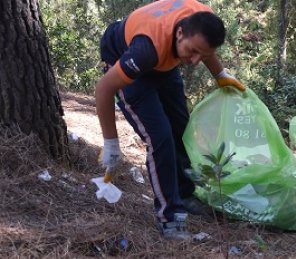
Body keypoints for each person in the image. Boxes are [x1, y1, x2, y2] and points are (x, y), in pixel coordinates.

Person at [96, 0, 245, 241]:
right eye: (193, 51)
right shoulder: (146, 50)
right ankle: (170, 216)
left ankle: (184, 196)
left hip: (164, 61)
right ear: (179, 33)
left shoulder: (203, 19)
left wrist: (220, 74)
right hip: (125, 56)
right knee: (160, 137)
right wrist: (111, 143)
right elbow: (104, 89)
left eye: (203, 55)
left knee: (181, 128)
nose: (196, 61)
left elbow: (204, 48)